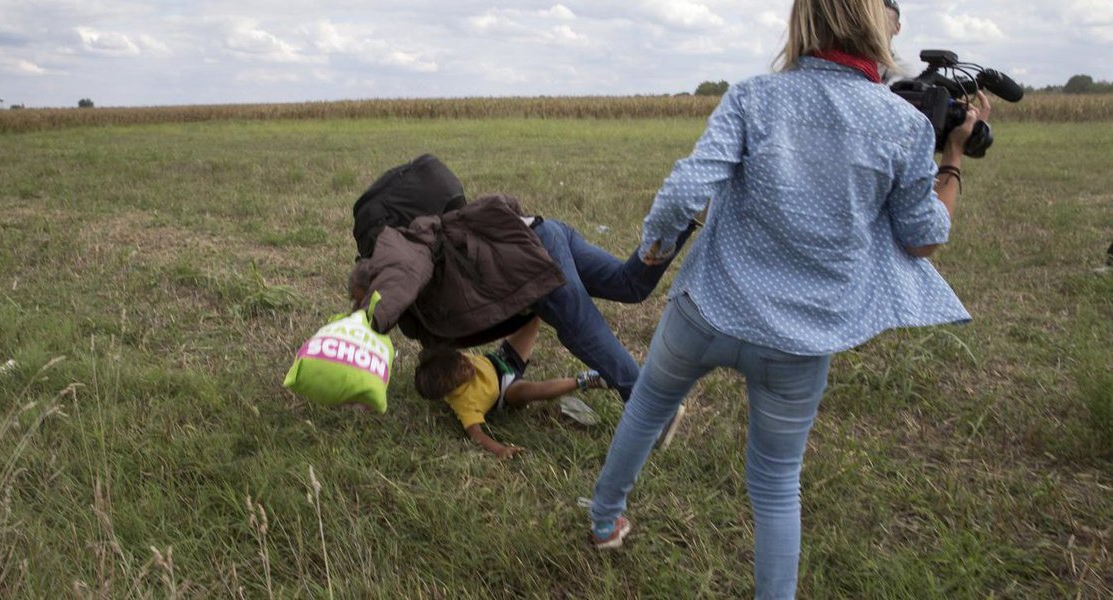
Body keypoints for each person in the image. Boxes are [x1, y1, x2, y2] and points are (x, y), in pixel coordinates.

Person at [586, 0, 988, 597]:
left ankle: (602, 519)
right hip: (799, 342)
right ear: (879, 26)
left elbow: (686, 190)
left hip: (706, 309)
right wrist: (951, 158)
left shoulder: (753, 97)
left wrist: (653, 248)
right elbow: (924, 237)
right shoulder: (905, 126)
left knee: (646, 407)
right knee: (775, 483)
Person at [354, 193, 697, 443]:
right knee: (628, 285)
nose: (364, 304)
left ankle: (653, 410)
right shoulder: (422, 294)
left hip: (529, 262)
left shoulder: (400, 262)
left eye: (362, 298)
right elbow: (436, 351)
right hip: (542, 233)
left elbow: (399, 283)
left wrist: (365, 325)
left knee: (580, 329)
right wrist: (366, 387)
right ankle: (682, 217)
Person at [414, 316, 608, 459]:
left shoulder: (450, 361)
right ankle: (585, 381)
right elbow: (476, 435)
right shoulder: (464, 403)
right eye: (463, 372)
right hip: (507, 390)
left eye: (463, 359)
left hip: (501, 360)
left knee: (532, 319)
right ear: (452, 387)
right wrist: (499, 449)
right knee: (529, 392)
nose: (468, 364)